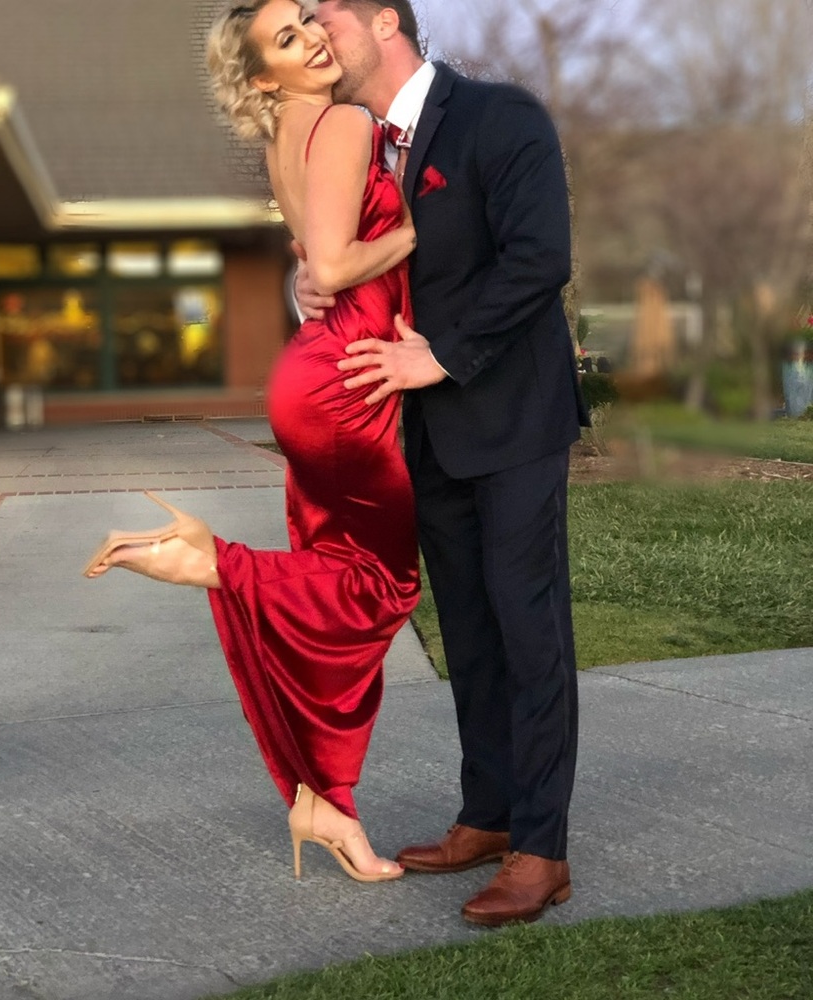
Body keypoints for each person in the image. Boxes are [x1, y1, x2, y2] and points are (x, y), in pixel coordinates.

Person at [84, 0, 420, 884]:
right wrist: (423, 227)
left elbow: (314, 260)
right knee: (382, 583)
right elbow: (339, 266)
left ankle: (326, 804)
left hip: (318, 375)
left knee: (331, 586)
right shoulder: (344, 118)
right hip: (347, 384)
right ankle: (214, 563)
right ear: (264, 76)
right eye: (287, 37)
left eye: (308, 18)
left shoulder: (287, 134)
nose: (312, 35)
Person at [295, 0, 590, 925]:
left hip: (510, 421)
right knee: (468, 631)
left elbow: (541, 259)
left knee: (528, 632)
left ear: (385, 19)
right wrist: (314, 281)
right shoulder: (356, 143)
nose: (311, 34)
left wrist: (443, 352)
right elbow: (358, 262)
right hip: (424, 436)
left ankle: (542, 848)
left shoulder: (502, 119)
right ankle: (490, 815)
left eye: (321, 15)